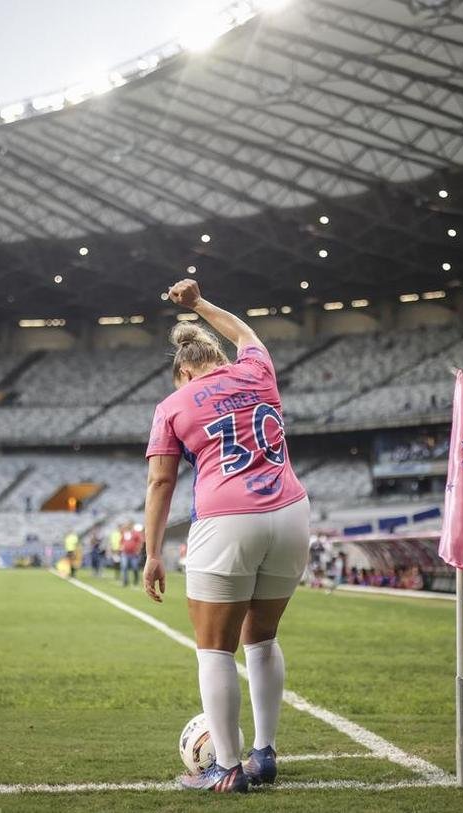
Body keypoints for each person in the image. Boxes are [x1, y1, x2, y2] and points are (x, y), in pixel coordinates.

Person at [143, 279, 309, 794]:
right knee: (261, 637)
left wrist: (152, 554)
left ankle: (226, 768)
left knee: (214, 650)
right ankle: (263, 754)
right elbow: (243, 330)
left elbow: (162, 481)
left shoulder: (174, 405)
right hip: (291, 510)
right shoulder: (256, 368)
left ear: (185, 371)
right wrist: (199, 305)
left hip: (226, 517)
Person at [120, 523, 144, 587]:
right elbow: (121, 541)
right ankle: (125, 581)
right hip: (125, 553)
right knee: (124, 567)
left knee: (135, 567)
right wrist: (121, 547)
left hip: (133, 554)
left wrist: (138, 550)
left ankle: (136, 579)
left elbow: (140, 541)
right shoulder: (124, 533)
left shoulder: (136, 533)